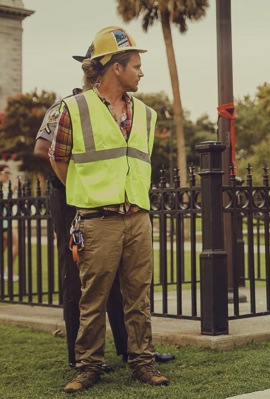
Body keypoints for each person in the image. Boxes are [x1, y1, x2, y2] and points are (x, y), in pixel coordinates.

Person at [34, 48, 174, 371]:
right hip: (71, 197)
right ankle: (79, 357)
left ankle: (131, 350)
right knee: (79, 277)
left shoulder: (131, 111)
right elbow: (45, 150)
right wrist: (80, 183)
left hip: (118, 204)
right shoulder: (67, 108)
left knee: (120, 278)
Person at [1, 164, 19, 282]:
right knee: (16, 243)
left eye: (9, 173)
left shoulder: (3, 187)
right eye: (6, 173)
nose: (8, 176)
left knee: (4, 246)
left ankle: (5, 271)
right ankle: (7, 270)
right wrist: (13, 190)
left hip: (5, 220)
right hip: (3, 222)